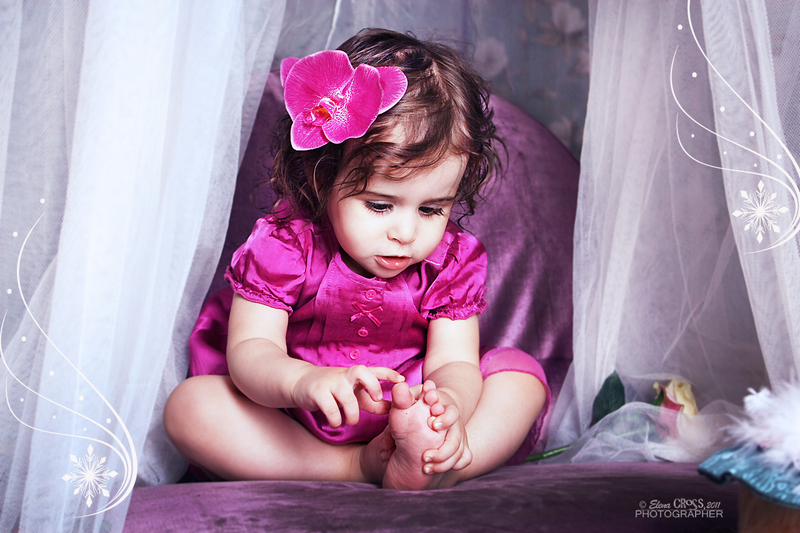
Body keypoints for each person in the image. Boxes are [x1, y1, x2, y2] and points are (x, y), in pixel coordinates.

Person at [164, 28, 549, 491]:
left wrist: (448, 403)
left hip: (408, 405)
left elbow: (455, 361)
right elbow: (251, 352)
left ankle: (444, 459)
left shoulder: (451, 260)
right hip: (293, 417)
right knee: (190, 407)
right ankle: (353, 467)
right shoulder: (286, 245)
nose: (406, 233)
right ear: (324, 178)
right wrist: (302, 381)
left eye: (431, 209)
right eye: (380, 205)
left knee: (522, 377)